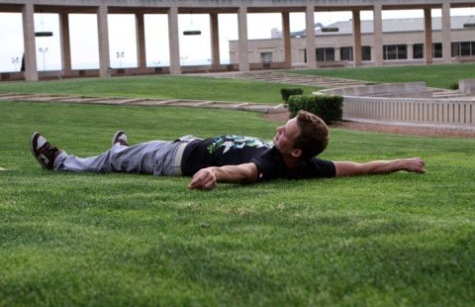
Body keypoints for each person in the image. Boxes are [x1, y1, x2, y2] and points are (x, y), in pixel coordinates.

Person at [30, 110, 425, 190]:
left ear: (295, 152)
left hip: (177, 159)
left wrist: (217, 173)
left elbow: (247, 173)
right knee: (127, 154)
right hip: (191, 142)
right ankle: (123, 151)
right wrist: (400, 163)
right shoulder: (309, 166)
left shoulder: (271, 163)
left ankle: (61, 162)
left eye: (284, 132)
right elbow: (356, 167)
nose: (277, 130)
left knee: (115, 161)